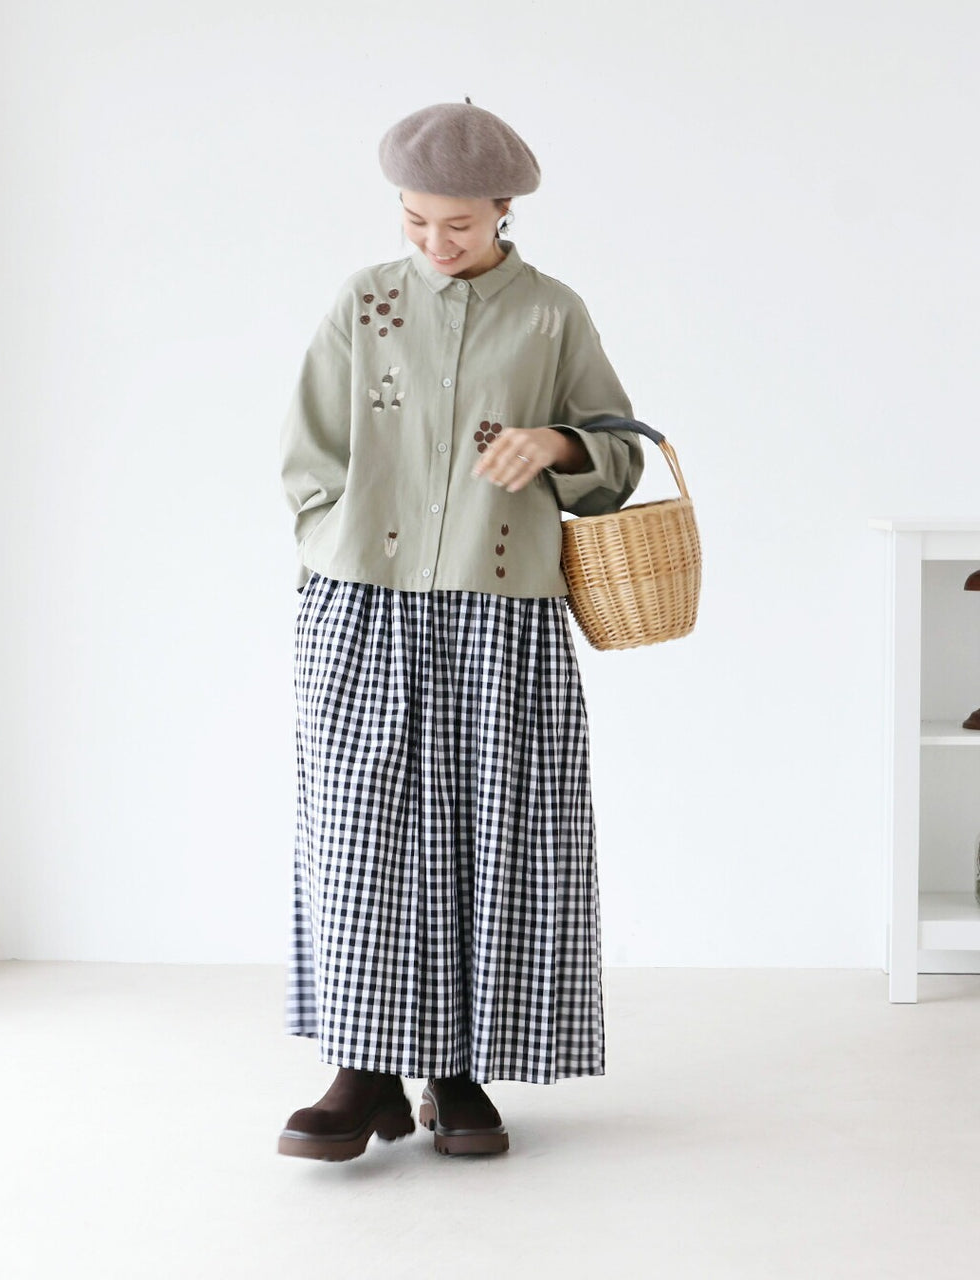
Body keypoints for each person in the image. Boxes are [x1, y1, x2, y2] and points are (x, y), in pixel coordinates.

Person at [276, 99, 645, 1162]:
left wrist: (558, 444)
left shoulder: (553, 315)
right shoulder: (365, 301)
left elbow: (619, 455)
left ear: (504, 211)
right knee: (362, 836)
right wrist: (338, 541)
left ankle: (456, 1071)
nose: (435, 242)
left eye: (459, 224)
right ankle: (363, 1071)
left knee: (494, 838)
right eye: (415, 219)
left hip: (504, 609)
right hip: (365, 604)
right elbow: (309, 456)